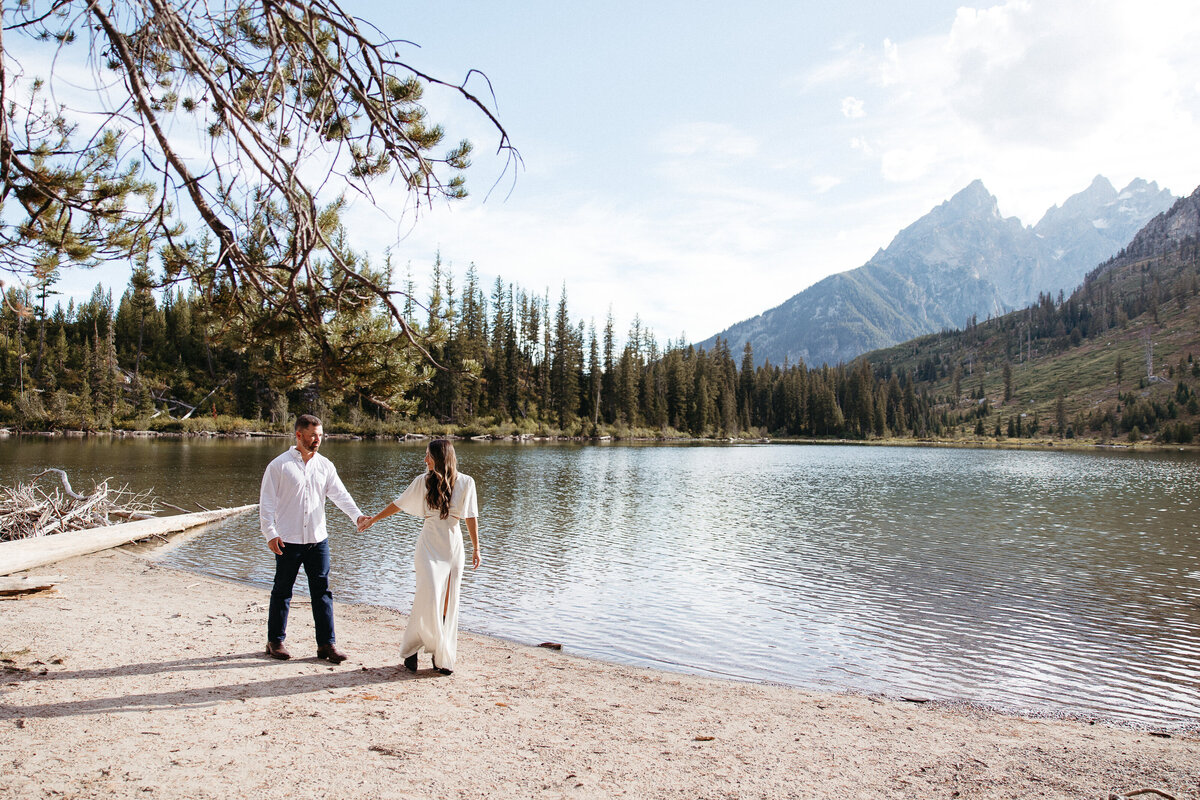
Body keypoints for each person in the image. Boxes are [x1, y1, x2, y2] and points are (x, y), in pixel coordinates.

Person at [360, 439, 480, 675]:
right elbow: (399, 504)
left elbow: (471, 516)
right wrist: (374, 519)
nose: (425, 460)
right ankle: (412, 648)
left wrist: (477, 548)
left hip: (453, 548)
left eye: (428, 456)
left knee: (447, 602)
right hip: (428, 547)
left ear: (441, 457)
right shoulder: (423, 481)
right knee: (429, 596)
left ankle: (440, 653)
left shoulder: (466, 482)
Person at [260, 414, 369, 663]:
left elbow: (340, 495)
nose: (317, 440)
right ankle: (275, 641)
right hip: (287, 540)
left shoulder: (325, 465)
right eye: (312, 436)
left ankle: (326, 645)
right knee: (282, 591)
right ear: (298, 435)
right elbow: (266, 504)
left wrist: (357, 516)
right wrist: (270, 533)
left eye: (320, 435)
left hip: (318, 540)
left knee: (322, 592)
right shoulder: (279, 466)